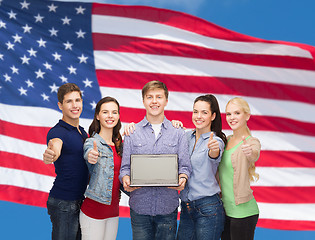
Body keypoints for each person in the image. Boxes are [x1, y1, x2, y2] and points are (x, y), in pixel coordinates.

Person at [119, 80, 192, 240]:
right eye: (149, 97)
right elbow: (125, 168)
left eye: (159, 97)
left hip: (168, 207)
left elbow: (185, 166)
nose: (154, 101)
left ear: (166, 100)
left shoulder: (178, 132)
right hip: (139, 208)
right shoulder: (132, 132)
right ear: (143, 100)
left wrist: (182, 177)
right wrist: (125, 179)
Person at [43, 83, 89, 240]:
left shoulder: (82, 132)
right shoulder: (57, 132)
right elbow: (55, 146)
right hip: (64, 203)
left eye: (78, 100)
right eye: (69, 101)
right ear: (60, 105)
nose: (75, 105)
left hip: (80, 201)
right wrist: (51, 154)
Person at [177, 94, 226, 240]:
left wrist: (213, 149)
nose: (198, 116)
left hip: (208, 208)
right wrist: (174, 124)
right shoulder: (185, 137)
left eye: (204, 112)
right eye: (195, 111)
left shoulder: (216, 141)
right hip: (186, 208)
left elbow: (214, 154)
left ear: (213, 116)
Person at [79, 97, 123, 240]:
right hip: (93, 212)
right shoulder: (92, 142)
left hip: (113, 213)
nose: (110, 116)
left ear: (118, 116)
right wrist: (91, 156)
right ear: (98, 116)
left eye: (114, 112)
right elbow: (88, 152)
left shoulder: (120, 146)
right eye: (105, 112)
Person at [219, 97, 260, 240]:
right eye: (229, 114)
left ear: (247, 116)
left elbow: (254, 154)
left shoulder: (251, 142)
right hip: (225, 210)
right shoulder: (226, 140)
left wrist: (250, 152)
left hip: (244, 213)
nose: (232, 117)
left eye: (237, 113)